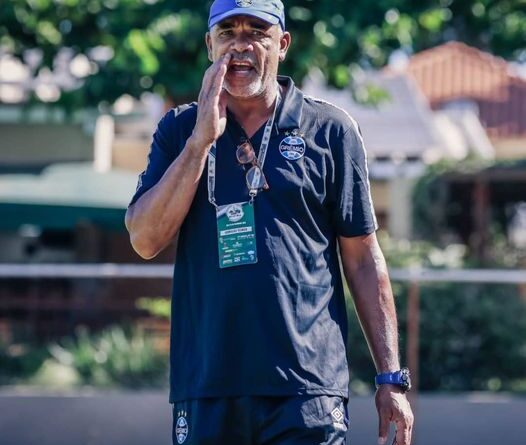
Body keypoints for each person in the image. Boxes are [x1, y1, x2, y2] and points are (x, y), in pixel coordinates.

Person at [125, 0, 414, 444]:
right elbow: (145, 239)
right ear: (209, 46)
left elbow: (362, 259)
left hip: (307, 390)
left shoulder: (331, 130)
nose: (240, 46)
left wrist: (390, 377)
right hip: (208, 386)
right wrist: (201, 142)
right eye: (227, 33)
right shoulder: (179, 130)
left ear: (282, 44)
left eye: (256, 32)